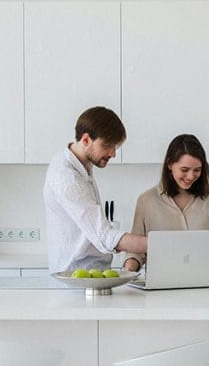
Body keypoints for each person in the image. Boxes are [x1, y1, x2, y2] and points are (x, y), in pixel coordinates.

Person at [44, 106, 147, 274]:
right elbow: (104, 236)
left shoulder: (79, 164)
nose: (113, 154)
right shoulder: (67, 178)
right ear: (86, 140)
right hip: (76, 278)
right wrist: (159, 244)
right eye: (107, 145)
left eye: (115, 147)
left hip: (88, 275)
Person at [123, 134, 209, 272]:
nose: (190, 176)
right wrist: (129, 269)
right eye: (184, 170)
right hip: (163, 284)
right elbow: (136, 250)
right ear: (170, 164)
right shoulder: (146, 201)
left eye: (197, 170)